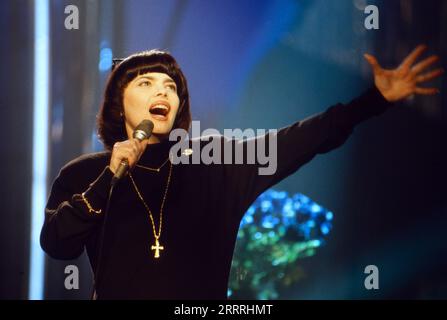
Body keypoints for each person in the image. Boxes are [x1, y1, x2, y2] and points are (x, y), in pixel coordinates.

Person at [40, 45, 442, 299]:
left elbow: (301, 140)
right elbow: (57, 244)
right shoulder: (84, 175)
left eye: (171, 86)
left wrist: (371, 101)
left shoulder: (215, 167)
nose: (162, 91)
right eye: (146, 83)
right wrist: (108, 179)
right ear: (118, 102)